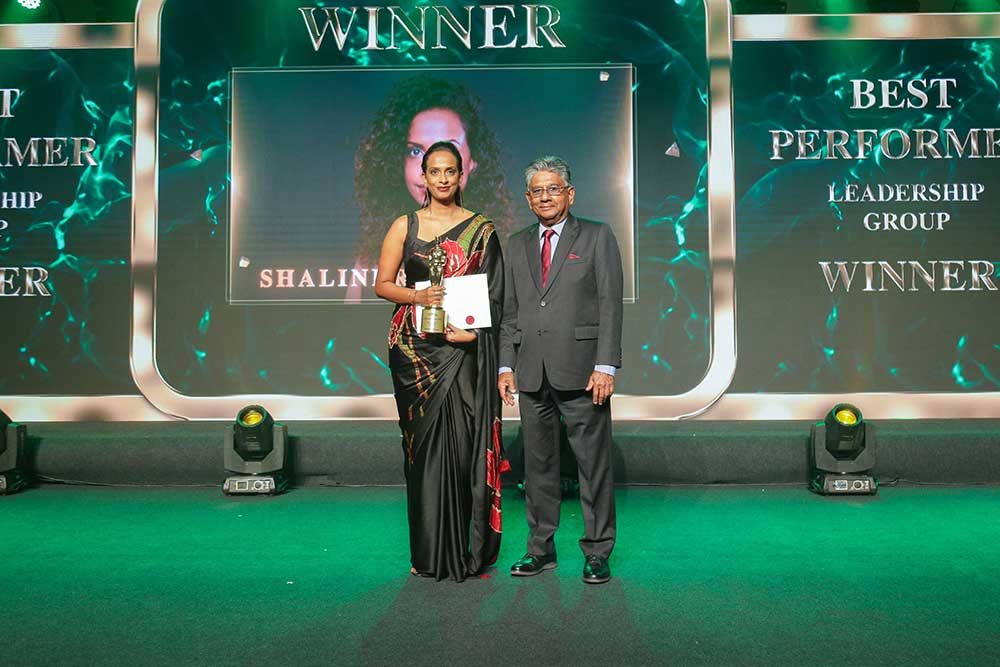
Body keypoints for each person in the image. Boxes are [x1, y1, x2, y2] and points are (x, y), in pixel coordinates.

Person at [375, 140, 507, 582]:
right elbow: (382, 285)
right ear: (424, 177)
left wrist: (474, 335)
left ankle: (467, 549)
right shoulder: (404, 225)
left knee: (466, 450)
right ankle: (429, 553)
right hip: (414, 352)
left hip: (464, 351)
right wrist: (419, 297)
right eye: (435, 171)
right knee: (423, 454)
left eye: (451, 171)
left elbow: (495, 297)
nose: (444, 178)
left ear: (461, 175)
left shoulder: (482, 230)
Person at [498, 155, 623, 585]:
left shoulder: (596, 236)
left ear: (570, 194)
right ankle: (540, 549)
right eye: (537, 190)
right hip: (531, 373)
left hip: (585, 373)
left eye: (553, 189)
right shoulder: (516, 244)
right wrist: (505, 366)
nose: (545, 196)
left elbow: (610, 304)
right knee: (537, 470)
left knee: (593, 467)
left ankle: (597, 551)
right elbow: (510, 313)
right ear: (528, 199)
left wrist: (605, 365)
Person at [355, 74, 514, 268]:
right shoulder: (383, 246)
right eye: (415, 151)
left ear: (474, 159)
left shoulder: (493, 239)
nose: (433, 167)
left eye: (448, 149)